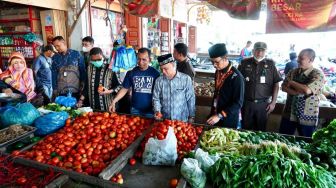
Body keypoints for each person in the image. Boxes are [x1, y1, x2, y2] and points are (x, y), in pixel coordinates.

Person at [279, 49, 325, 137]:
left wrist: (292, 83)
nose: (298, 60)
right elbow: (284, 87)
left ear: (310, 60)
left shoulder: (318, 74)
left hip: (307, 117)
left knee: (306, 142)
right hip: (289, 113)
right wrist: (297, 92)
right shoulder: (293, 71)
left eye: (301, 58)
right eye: (298, 57)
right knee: (283, 139)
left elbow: (307, 90)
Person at [238, 42, 282, 131]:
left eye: (262, 51)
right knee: (245, 130)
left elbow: (276, 85)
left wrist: (273, 102)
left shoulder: (271, 64)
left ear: (266, 52)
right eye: (257, 50)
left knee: (260, 130)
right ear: (253, 50)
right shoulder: (244, 63)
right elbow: (238, 83)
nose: (259, 53)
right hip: (247, 103)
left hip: (263, 105)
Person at [109, 48, 160, 117]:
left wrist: (158, 110)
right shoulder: (131, 73)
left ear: (149, 60)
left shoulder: (155, 74)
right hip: (135, 109)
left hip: (150, 110)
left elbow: (159, 93)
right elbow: (124, 89)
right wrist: (114, 101)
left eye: (144, 59)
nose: (140, 62)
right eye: (138, 59)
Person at [206, 43, 245, 128]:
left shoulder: (236, 77)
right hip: (215, 114)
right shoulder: (218, 71)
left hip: (228, 118)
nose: (214, 65)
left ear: (225, 58)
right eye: (212, 62)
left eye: (216, 62)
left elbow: (238, 103)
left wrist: (219, 115)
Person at [153, 54, 195, 122]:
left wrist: (192, 116)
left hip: (181, 120)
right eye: (161, 69)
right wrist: (157, 111)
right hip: (165, 121)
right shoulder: (159, 81)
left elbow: (190, 98)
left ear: (173, 65)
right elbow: (156, 99)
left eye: (166, 69)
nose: (163, 71)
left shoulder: (186, 79)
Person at [52, 36, 86, 106]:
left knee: (76, 108)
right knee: (63, 108)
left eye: (58, 46)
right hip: (61, 89)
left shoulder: (77, 54)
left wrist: (83, 86)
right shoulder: (55, 58)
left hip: (76, 88)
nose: (57, 48)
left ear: (64, 43)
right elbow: (53, 74)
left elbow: (82, 71)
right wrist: (54, 88)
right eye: (55, 47)